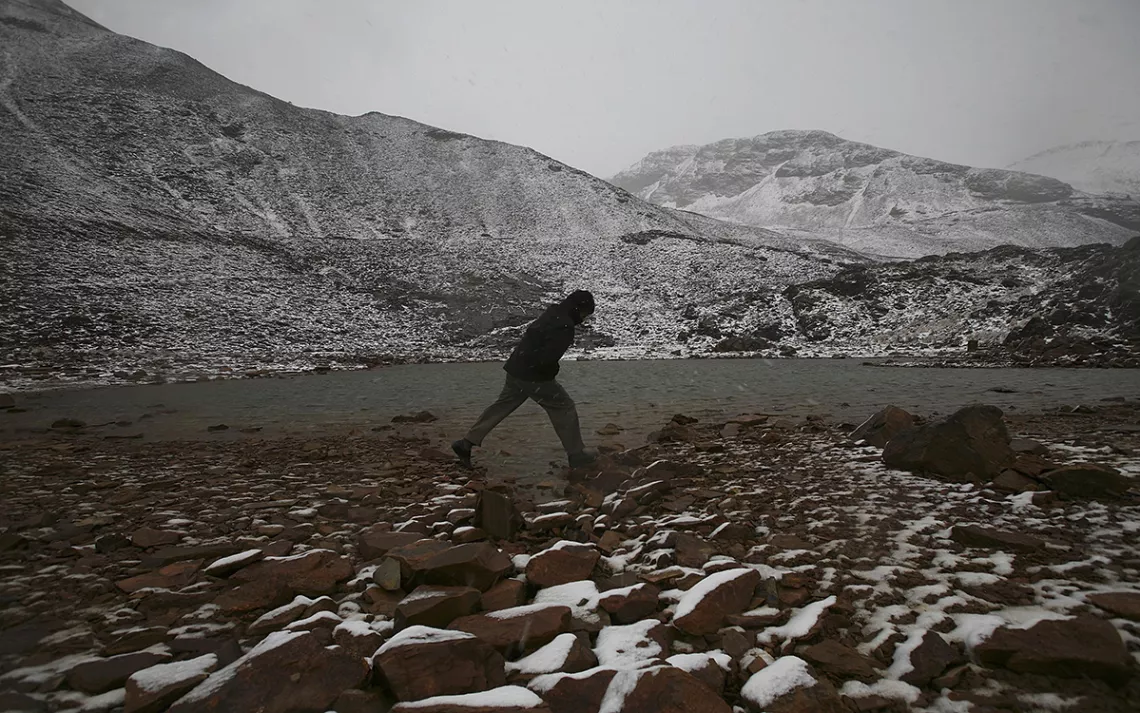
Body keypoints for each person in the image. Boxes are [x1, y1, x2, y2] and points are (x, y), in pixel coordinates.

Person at [452, 290, 598, 470]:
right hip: (532, 375)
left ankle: (466, 443)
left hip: (515, 369)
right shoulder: (565, 325)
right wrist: (550, 374)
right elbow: (547, 359)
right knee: (564, 407)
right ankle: (577, 454)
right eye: (585, 314)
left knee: (502, 405)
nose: (583, 319)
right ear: (579, 308)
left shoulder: (552, 312)